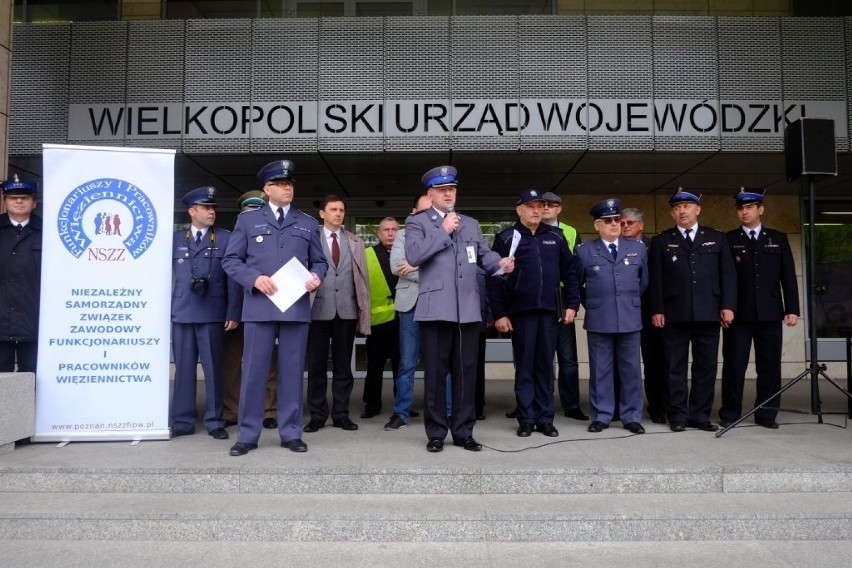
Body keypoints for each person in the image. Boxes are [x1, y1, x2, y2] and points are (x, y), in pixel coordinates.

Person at [404, 165, 514, 452]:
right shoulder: (417, 222)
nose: (448, 193)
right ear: (431, 194)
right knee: (436, 375)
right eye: (442, 190)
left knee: (466, 374)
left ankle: (464, 431)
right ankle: (436, 433)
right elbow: (414, 256)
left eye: (451, 189)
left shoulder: (470, 223)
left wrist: (499, 264)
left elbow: (483, 255)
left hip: (466, 309)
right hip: (435, 309)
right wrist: (442, 230)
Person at [222, 159, 326, 456]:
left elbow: (318, 261)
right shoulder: (248, 221)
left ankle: (291, 432)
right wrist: (254, 279)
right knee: (253, 371)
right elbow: (231, 260)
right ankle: (247, 434)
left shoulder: (307, 223)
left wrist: (317, 276)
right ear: (267, 189)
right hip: (259, 306)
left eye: (290, 184)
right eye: (281, 184)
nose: (287, 188)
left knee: (292, 372)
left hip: (294, 307)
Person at [487, 190, 579, 438]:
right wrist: (500, 314)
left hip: (550, 313)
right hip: (521, 314)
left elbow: (570, 273)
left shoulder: (556, 237)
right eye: (531, 206)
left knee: (546, 367)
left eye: (540, 206)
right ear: (519, 210)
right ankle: (526, 419)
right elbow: (494, 280)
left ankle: (545, 419)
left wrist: (572, 305)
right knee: (525, 367)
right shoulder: (507, 238)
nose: (536, 211)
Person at [648, 188, 736, 433]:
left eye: (687, 206)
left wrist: (727, 306)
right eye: (677, 208)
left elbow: (727, 276)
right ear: (672, 213)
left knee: (705, 367)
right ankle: (677, 414)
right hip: (674, 314)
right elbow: (656, 281)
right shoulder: (662, 241)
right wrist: (657, 309)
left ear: (698, 210)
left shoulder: (716, 239)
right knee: (673, 367)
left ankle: (700, 415)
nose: (682, 211)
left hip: (708, 312)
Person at [720, 188, 800, 429]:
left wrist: (792, 308)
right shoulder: (729, 239)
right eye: (740, 208)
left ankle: (766, 414)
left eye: (749, 208)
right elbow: (725, 277)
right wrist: (725, 307)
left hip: (769, 313)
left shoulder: (777, 238)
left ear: (760, 209)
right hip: (739, 314)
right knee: (734, 364)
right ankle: (730, 413)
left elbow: (788, 277)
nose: (744, 212)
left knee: (770, 365)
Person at [170, 186, 241, 440]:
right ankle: (182, 420)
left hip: (213, 312)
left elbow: (233, 278)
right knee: (184, 369)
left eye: (213, 208)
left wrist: (233, 311)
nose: (211, 212)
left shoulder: (225, 238)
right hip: (182, 312)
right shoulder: (175, 239)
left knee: (214, 369)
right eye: (206, 208)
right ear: (192, 211)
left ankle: (215, 420)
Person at [575, 199, 648, 434]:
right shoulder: (585, 251)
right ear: (597, 225)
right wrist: (595, 305)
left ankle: (631, 416)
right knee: (600, 370)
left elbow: (643, 282)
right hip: (600, 318)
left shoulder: (637, 249)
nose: (615, 224)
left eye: (617, 220)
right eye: (608, 221)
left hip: (629, 316)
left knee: (631, 370)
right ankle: (602, 415)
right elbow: (578, 286)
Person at [304, 195, 371, 434]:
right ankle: (318, 415)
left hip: (346, 310)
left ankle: (341, 414)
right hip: (317, 310)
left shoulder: (355, 241)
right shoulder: (309, 239)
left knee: (344, 366)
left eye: (341, 209)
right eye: (333, 209)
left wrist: (363, 310)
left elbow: (362, 281)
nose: (338, 213)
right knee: (317, 367)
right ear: (322, 214)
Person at [221, 190, 279, 429]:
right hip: (237, 311)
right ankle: (233, 411)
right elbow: (228, 280)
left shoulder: (276, 235)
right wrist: (232, 313)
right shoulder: (231, 237)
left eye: (258, 209)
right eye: (248, 210)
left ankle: (269, 410)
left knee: (270, 364)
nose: (253, 214)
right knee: (233, 364)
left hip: (267, 307)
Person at [384, 192, 431, 430]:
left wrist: (414, 267)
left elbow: (448, 269)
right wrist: (430, 274)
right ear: (413, 213)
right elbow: (396, 267)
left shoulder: (443, 235)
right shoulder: (401, 235)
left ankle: (446, 411)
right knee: (407, 363)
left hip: (437, 305)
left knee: (440, 364)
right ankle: (401, 412)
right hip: (409, 306)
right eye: (422, 211)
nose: (427, 215)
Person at [540, 191, 587, 421]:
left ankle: (571, 405)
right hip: (539, 296)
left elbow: (576, 270)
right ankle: (537, 403)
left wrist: (572, 302)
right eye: (543, 204)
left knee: (567, 357)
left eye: (551, 205)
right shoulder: (530, 228)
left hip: (561, 296)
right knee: (538, 357)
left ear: (560, 208)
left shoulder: (570, 231)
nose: (546, 208)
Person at [620, 207, 666, 424]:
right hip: (624, 312)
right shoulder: (614, 246)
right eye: (622, 223)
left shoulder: (654, 246)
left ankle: (657, 407)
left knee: (654, 361)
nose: (625, 226)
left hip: (650, 312)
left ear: (641, 225)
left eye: (630, 222)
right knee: (621, 362)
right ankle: (619, 407)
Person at [0, 175, 42, 373]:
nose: (18, 201)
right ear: (5, 201)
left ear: (34, 203)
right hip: (1, 319)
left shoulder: (49, 232)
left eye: (24, 197)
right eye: (12, 197)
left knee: (34, 379)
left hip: (34, 320)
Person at [361, 217, 401, 419]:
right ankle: (371, 405)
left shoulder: (408, 254)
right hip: (377, 323)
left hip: (403, 321)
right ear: (379, 233)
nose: (391, 233)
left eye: (394, 229)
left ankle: (402, 405)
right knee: (374, 365)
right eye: (386, 229)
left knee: (401, 366)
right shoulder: (367, 255)